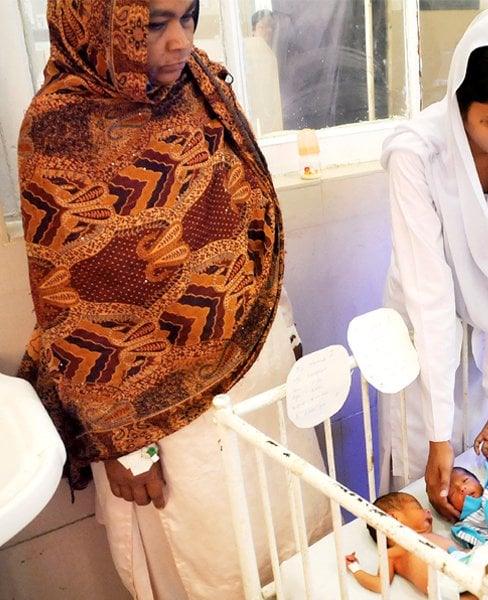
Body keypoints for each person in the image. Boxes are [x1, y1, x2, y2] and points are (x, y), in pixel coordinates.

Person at [17, 1, 328, 598]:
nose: (180, 41)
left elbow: (249, 222)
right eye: (154, 23)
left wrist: (281, 330)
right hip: (158, 416)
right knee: (212, 561)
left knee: (294, 539)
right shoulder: (59, 129)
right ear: (99, 19)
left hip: (258, 367)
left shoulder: (202, 88)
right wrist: (126, 446)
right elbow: (73, 306)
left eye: (188, 15)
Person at [379, 8, 488, 521]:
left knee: (480, 473)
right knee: (424, 471)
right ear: (461, 103)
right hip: (423, 329)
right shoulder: (417, 154)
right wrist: (438, 431)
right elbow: (431, 298)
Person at [344, 492, 488, 599]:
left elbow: (464, 553)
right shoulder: (395, 552)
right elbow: (380, 584)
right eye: (419, 508)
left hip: (470, 567)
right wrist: (355, 568)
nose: (428, 513)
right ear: (393, 518)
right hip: (445, 583)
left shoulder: (434, 535)